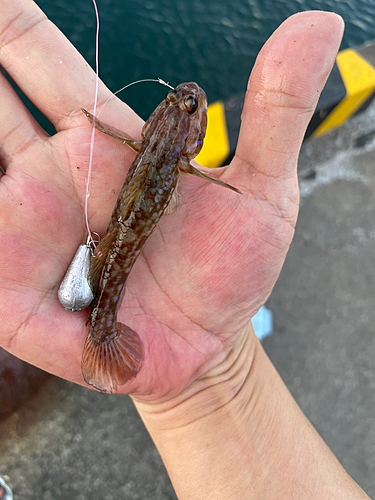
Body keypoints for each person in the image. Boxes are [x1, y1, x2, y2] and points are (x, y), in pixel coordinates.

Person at [0, 1, 369, 498]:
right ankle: (102, 328)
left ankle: (102, 328)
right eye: (181, 103)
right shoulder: (180, 160)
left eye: (185, 105)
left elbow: (119, 130)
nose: (185, 99)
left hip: (120, 238)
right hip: (124, 239)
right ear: (187, 149)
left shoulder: (147, 142)